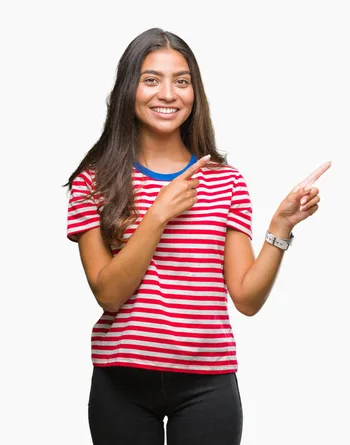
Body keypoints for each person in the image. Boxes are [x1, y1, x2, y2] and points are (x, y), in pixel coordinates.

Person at [65, 27, 330, 445]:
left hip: (208, 385)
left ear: (195, 93)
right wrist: (157, 215)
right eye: (151, 79)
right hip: (122, 383)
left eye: (181, 81)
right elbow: (108, 295)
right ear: (128, 89)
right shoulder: (93, 182)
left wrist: (279, 228)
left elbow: (245, 298)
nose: (168, 93)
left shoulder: (226, 183)